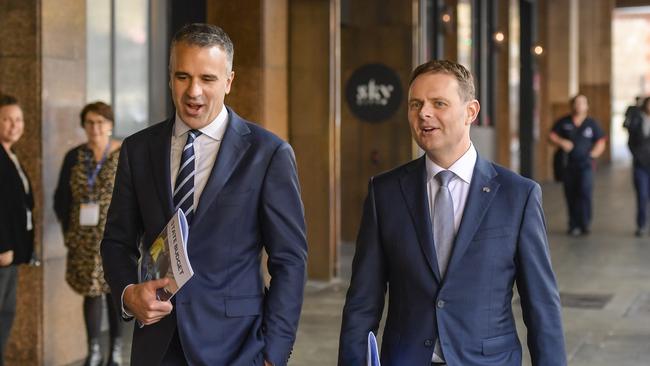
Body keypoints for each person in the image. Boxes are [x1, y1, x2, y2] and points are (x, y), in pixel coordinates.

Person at [100, 23, 307, 366]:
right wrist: (127, 294)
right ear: (170, 77)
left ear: (228, 81)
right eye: (182, 77)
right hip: (156, 344)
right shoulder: (138, 149)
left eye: (207, 79)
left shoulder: (267, 153)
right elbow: (116, 241)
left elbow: (290, 260)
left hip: (238, 347)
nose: (193, 91)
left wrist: (274, 352)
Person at [338, 60, 566, 366]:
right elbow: (362, 302)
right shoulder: (386, 192)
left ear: (471, 112)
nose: (424, 113)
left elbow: (541, 306)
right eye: (415, 104)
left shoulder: (518, 195)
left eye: (438, 103)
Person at [54, 102, 124, 366]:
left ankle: (115, 349)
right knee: (91, 293)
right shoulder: (75, 156)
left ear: (110, 125)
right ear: (83, 126)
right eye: (90, 123)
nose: (95, 128)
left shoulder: (125, 152)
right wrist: (68, 232)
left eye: (101, 122)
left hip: (117, 238)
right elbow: (62, 197)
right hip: (83, 240)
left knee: (116, 293)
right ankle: (94, 349)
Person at [0, 94, 34, 366]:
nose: (14, 125)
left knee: (6, 312)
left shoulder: (10, 154)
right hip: (3, 253)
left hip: (13, 252)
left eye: (18, 119)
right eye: (7, 119)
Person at [549, 94, 606, 236]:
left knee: (585, 192)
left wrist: (593, 154)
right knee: (571, 194)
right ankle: (573, 224)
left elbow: (601, 141)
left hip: (586, 165)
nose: (579, 105)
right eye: (576, 103)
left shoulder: (592, 124)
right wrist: (562, 142)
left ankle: (584, 223)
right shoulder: (563, 122)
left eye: (582, 103)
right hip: (568, 165)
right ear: (572, 105)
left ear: (587, 106)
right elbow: (551, 136)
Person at [626, 96, 650, 236]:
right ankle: (641, 225)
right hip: (640, 165)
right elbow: (630, 142)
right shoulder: (637, 119)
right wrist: (637, 156)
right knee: (642, 195)